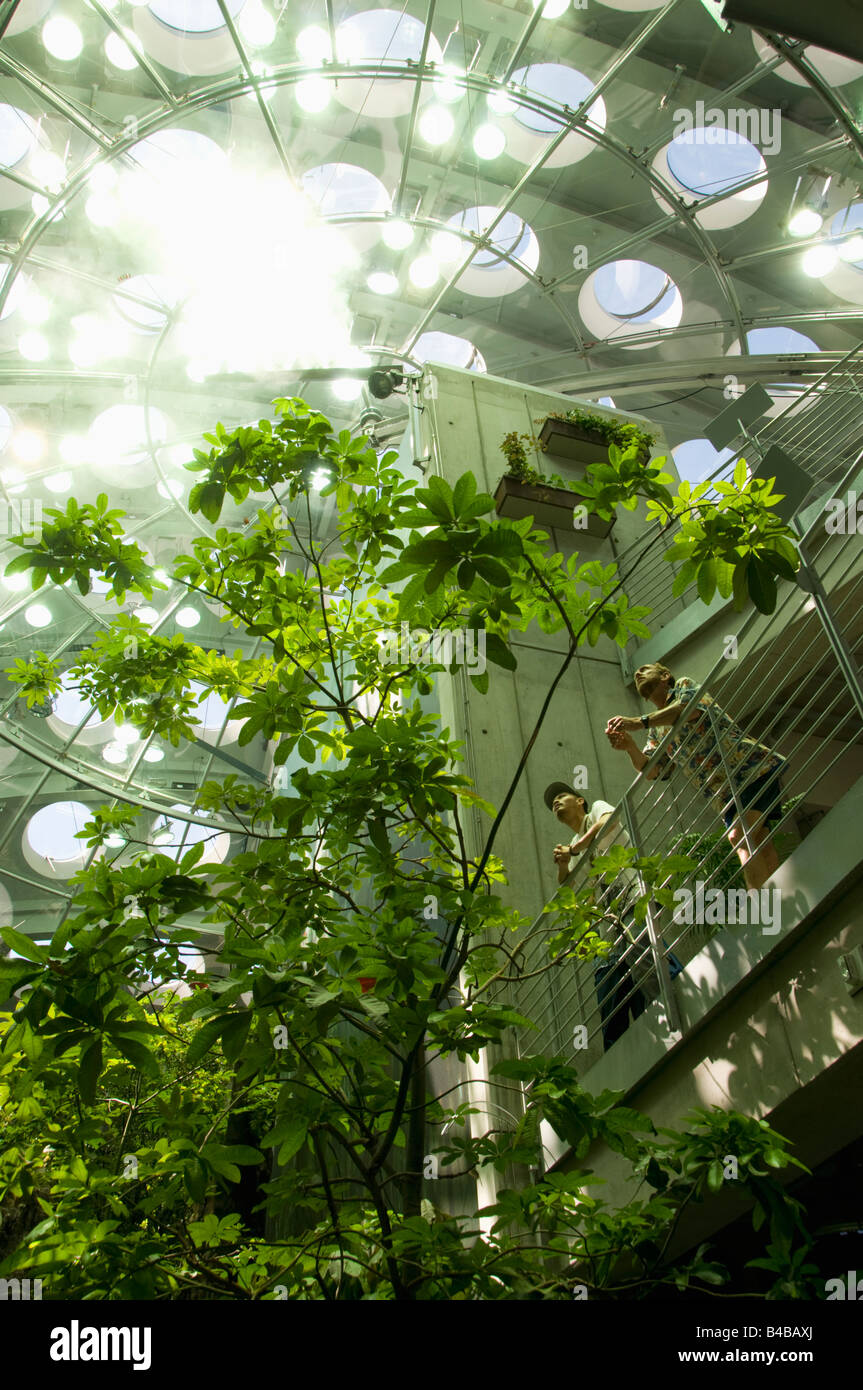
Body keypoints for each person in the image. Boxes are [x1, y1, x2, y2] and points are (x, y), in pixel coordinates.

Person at [605, 663, 786, 891]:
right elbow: (653, 770)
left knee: (739, 837)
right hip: (723, 792)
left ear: (665, 674)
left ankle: (760, 904)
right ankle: (777, 899)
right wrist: (630, 747)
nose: (638, 674)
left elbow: (689, 709)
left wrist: (639, 722)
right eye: (637, 674)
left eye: (645, 669)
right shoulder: (656, 731)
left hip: (747, 769)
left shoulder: (683, 686)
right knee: (758, 840)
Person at [545, 782, 647, 1050]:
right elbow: (570, 890)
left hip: (632, 897)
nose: (555, 802)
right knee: (609, 980)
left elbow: (609, 823)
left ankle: (659, 1008)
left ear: (579, 800)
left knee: (643, 958)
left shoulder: (596, 810)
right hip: (608, 923)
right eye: (552, 802)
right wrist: (565, 865)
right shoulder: (572, 848)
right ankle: (618, 1050)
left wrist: (575, 849)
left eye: (561, 796)